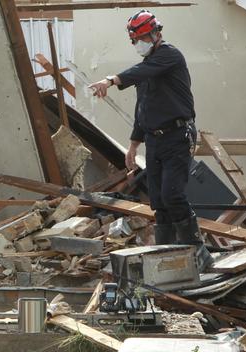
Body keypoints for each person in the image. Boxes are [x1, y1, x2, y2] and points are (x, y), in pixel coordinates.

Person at [88, 9, 213, 271]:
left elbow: (139, 72)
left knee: (173, 194)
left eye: (143, 37)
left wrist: (110, 80)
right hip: (155, 140)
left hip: (178, 135)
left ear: (156, 34)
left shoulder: (169, 56)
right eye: (135, 39)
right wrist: (133, 144)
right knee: (158, 200)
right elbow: (142, 109)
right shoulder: (146, 71)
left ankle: (198, 251)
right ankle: (164, 256)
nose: (139, 44)